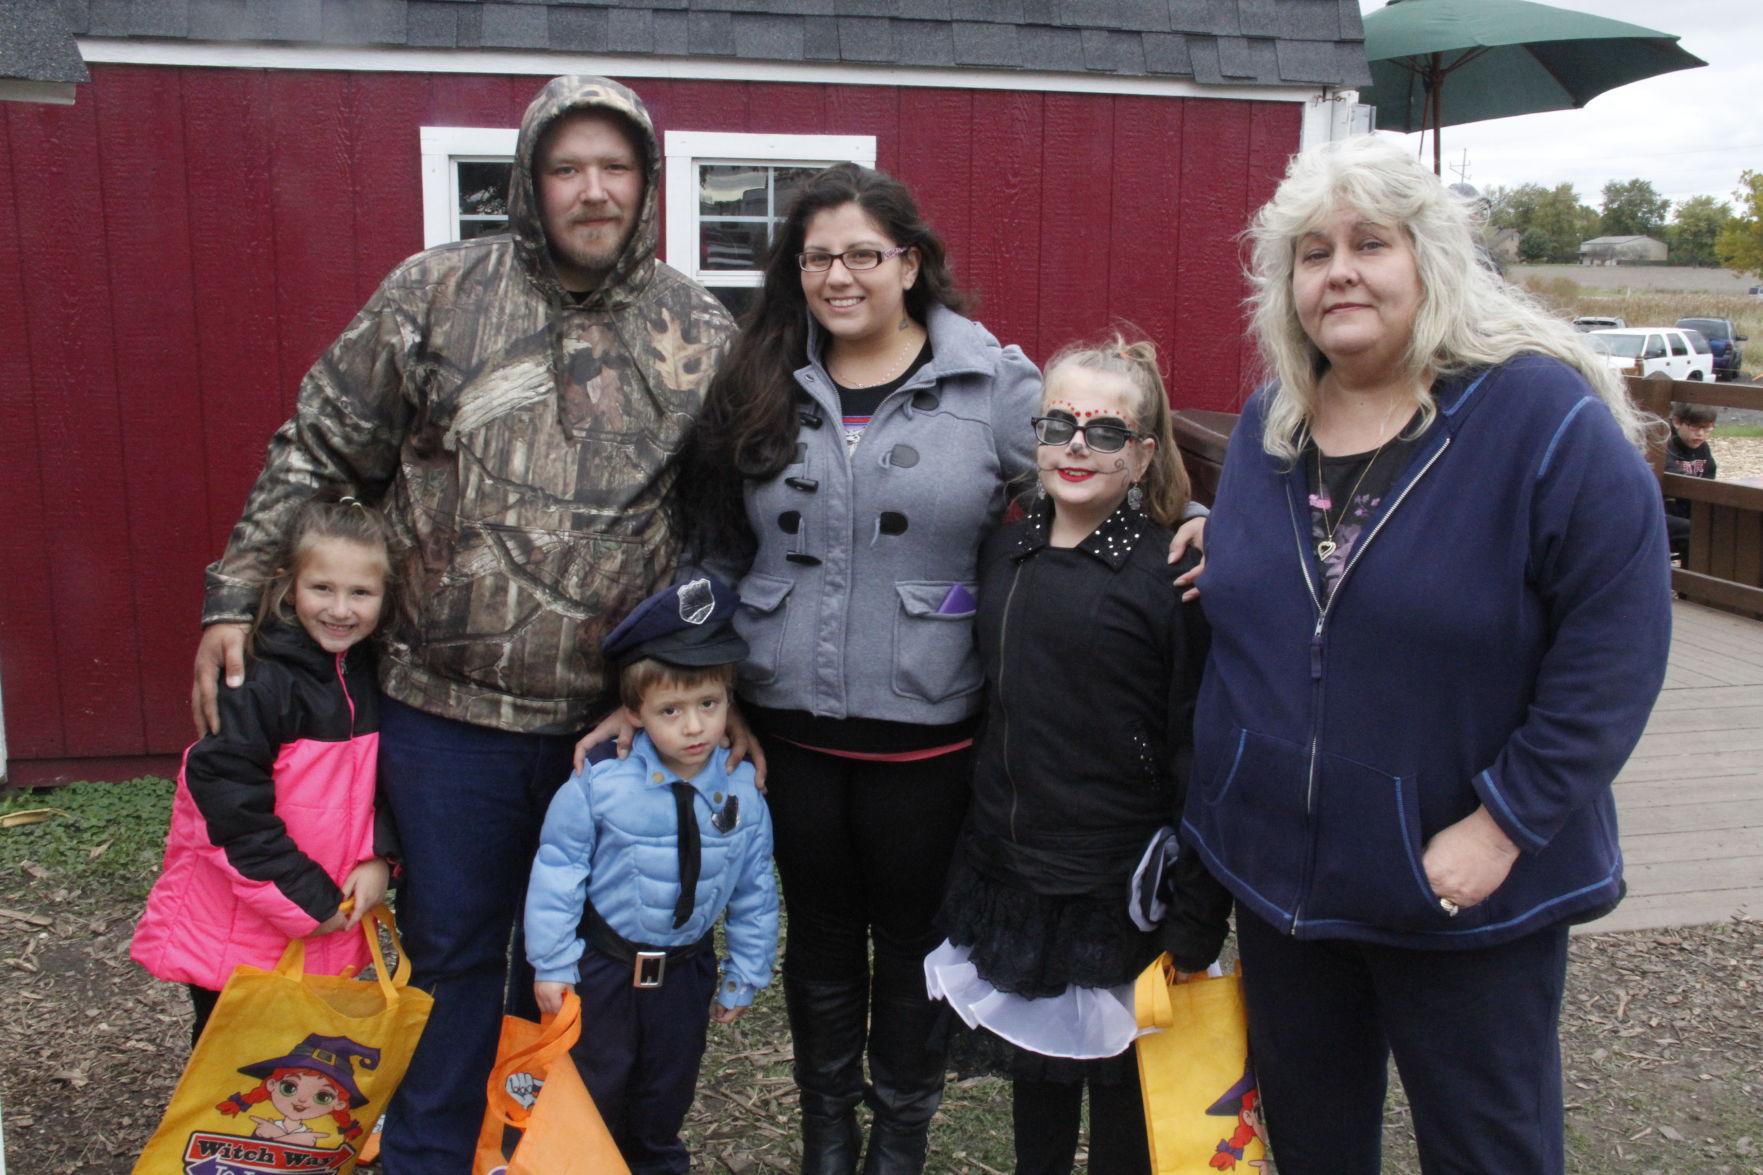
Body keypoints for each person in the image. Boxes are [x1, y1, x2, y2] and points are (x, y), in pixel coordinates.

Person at [187, 77, 736, 1172]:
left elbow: (723, 530)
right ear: (530, 178)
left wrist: (712, 696)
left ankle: (567, 1154)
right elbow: (321, 447)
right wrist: (233, 590)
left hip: (609, 730)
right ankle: (429, 1154)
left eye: (614, 168)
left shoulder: (699, 329)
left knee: (597, 965)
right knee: (449, 957)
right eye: (567, 166)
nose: (593, 190)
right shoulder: (433, 293)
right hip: (446, 716)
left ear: (646, 182)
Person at [1182, 134, 1672, 1174]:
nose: (1339, 270)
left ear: (1430, 260)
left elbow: (1614, 646)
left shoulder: (1540, 421)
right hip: (1284, 882)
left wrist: (1503, 824)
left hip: (1455, 883)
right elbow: (1295, 594)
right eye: (1311, 253)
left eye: (1370, 242)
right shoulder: (1274, 423)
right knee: (1312, 1145)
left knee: (1485, 1147)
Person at [667, 162, 1042, 1175]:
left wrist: (1187, 529)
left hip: (927, 731)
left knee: (913, 942)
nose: (839, 275)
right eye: (818, 256)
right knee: (822, 937)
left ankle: (900, 1141)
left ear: (908, 262)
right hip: (789, 724)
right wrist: (712, 677)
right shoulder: (760, 379)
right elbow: (711, 538)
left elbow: (1088, 468)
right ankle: (827, 1135)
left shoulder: (990, 382)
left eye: (863, 254)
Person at [923, 338, 1232, 1175]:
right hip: (1015, 870)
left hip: (1118, 887)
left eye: (1104, 432)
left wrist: (1198, 906)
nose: (1075, 445)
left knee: (1125, 1093)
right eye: (1058, 422)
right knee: (1041, 1081)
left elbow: (1195, 743)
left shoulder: (1171, 576)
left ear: (1140, 456)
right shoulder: (1006, 551)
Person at [525, 576, 777, 1174]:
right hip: (604, 972)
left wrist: (747, 968)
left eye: (708, 706)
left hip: (686, 975)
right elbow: (558, 873)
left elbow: (754, 889)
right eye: (671, 711)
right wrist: (554, 963)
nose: (694, 728)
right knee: (594, 1092)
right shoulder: (598, 785)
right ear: (633, 712)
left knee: (665, 1098)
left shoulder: (744, 789)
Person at [135, 498, 397, 1045]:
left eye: (361, 593)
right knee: (230, 1073)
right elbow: (227, 808)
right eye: (322, 588)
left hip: (322, 921)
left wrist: (378, 857)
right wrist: (309, 901)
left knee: (294, 1071)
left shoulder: (372, 675)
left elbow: (381, 786)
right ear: (288, 584)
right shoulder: (255, 681)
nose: (341, 610)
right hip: (243, 928)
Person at [1664, 402, 1718, 561]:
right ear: (1677, 422)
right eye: (1694, 427)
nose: (1701, 434)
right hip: (1667, 510)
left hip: (1692, 508)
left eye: (1707, 428)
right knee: (1697, 532)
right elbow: (1671, 477)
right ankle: (1692, 580)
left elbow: (1709, 478)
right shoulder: (1666, 445)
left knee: (1730, 526)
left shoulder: (1703, 448)